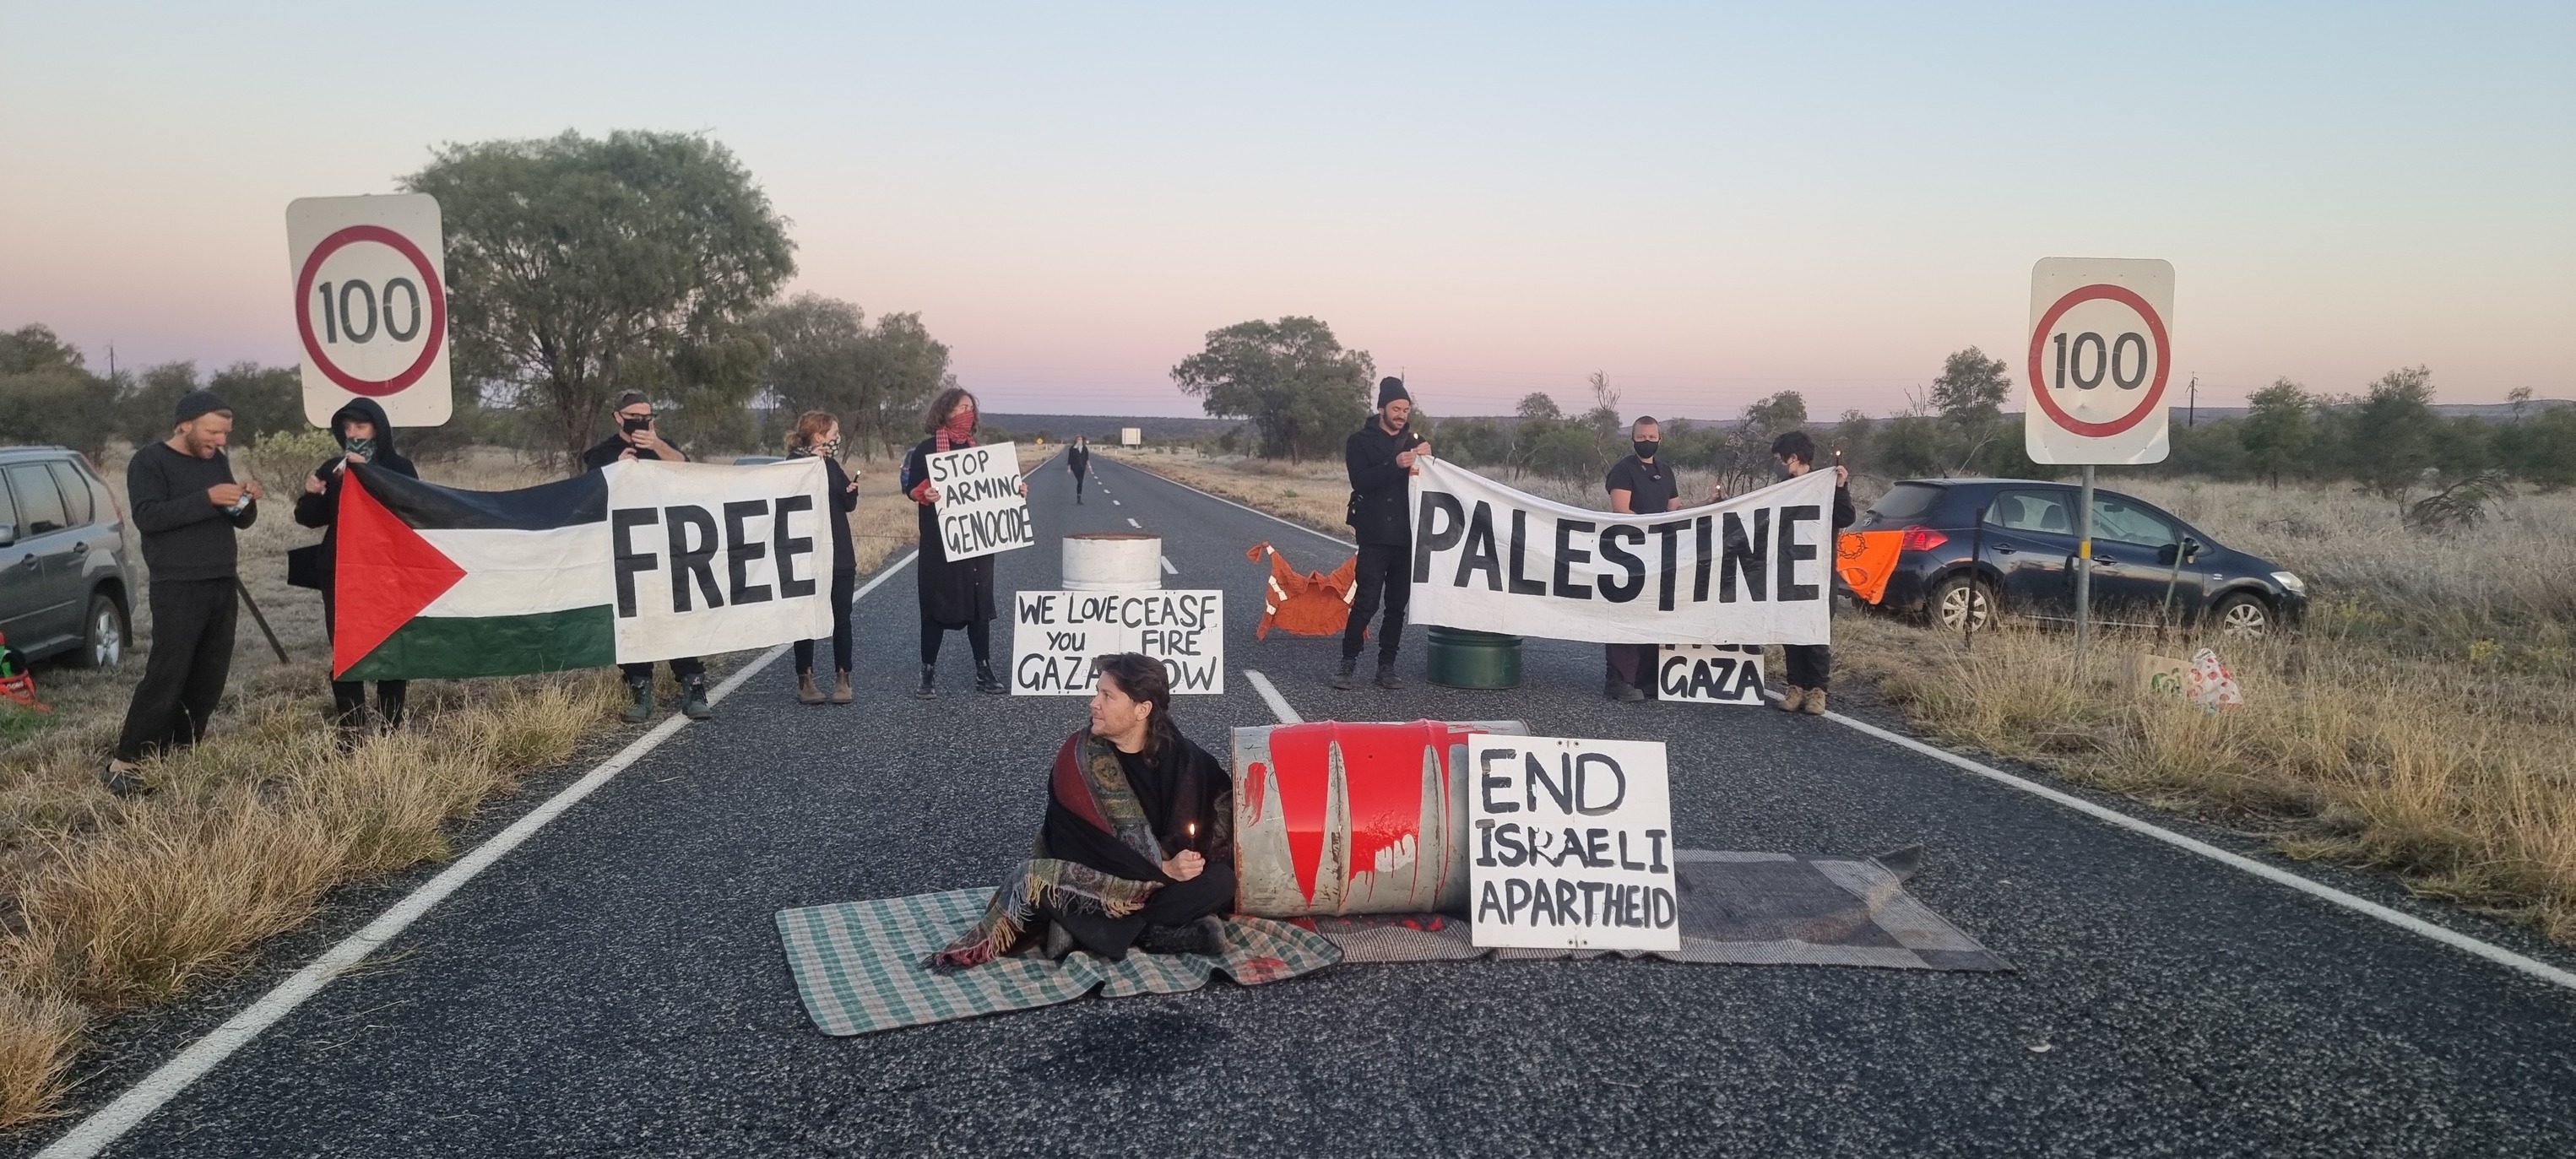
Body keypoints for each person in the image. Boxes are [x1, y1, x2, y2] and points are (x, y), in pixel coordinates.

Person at [930, 653, 1236, 968]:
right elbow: (1079, 849)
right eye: (1097, 692)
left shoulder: (1182, 757)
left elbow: (1220, 813)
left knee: (1221, 881)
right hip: (1098, 878)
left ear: (1142, 710)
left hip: (1160, 882)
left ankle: (1100, 932)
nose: (1093, 703)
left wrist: (1190, 859)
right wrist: (1162, 871)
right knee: (1037, 880)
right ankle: (1151, 932)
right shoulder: (1077, 759)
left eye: (1107, 696)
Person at [102, 390, 265, 793]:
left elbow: (237, 520)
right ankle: (127, 762)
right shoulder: (150, 461)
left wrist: (245, 500)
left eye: (225, 433)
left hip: (221, 578)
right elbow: (148, 517)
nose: (221, 440)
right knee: (168, 671)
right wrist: (207, 497)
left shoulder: (217, 462)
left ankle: (179, 752)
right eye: (213, 431)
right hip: (177, 583)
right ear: (185, 425)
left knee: (209, 673)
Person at [583, 390, 712, 723]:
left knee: (678, 612)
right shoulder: (602, 453)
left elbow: (687, 470)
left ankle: (692, 683)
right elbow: (588, 490)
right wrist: (618, 468)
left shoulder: (663, 445)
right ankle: (639, 686)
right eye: (635, 415)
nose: (642, 421)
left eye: (648, 415)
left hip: (668, 545)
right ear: (618, 417)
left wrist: (655, 445)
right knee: (633, 619)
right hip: (626, 549)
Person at [293, 397, 419, 740]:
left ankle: (392, 727)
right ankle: (351, 727)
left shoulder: (400, 467)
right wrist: (311, 494)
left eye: (360, 426)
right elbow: (309, 519)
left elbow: (409, 511)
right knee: (346, 645)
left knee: (390, 645)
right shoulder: (334, 467)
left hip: (385, 568)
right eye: (347, 428)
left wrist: (369, 473)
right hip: (339, 568)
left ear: (378, 429)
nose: (352, 433)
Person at [902, 387, 1020, 697]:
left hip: (978, 544)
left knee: (979, 607)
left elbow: (997, 490)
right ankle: (927, 673)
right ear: (943, 412)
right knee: (935, 606)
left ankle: (984, 669)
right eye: (958, 408)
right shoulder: (926, 450)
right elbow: (911, 488)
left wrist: (1016, 491)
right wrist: (922, 494)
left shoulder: (979, 452)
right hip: (939, 545)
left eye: (970, 407)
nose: (965, 413)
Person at [1337, 376, 1430, 691]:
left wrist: (1431, 460)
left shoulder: (1416, 441)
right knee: (1366, 602)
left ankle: (1386, 667)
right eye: (1396, 408)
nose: (1402, 414)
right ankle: (1347, 663)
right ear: (1381, 408)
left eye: (1406, 409)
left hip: (1407, 537)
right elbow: (1360, 481)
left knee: (1397, 605)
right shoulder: (1359, 441)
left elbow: (1433, 484)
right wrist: (1395, 464)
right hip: (1375, 534)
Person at [1771, 431, 1854, 716]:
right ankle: (1795, 686)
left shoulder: (1826, 485)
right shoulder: (1782, 487)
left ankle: (1818, 691)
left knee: (1817, 633)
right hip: (1789, 569)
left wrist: (1842, 487)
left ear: (1793, 458)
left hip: (1818, 572)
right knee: (1792, 631)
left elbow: (1845, 518)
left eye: (1779, 459)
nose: (1778, 464)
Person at [1603, 415, 1685, 701]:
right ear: (1633, 438)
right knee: (1626, 616)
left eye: (1652, 437)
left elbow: (1675, 509)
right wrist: (1652, 525)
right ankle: (1619, 680)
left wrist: (1707, 506)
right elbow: (1621, 509)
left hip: (1658, 553)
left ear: (1660, 439)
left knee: (1652, 614)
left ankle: (1648, 678)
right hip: (1628, 554)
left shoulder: (1666, 471)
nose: (1647, 442)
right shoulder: (1624, 470)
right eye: (1641, 437)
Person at [785, 411, 860, 705]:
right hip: (806, 554)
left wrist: (851, 491)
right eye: (834, 433)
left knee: (842, 618)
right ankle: (805, 679)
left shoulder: (830, 464)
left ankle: (844, 678)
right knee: (806, 618)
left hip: (839, 553)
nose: (837, 438)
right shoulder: (793, 466)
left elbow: (846, 504)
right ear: (818, 436)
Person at [1067, 434, 1091, 503]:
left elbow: (1087, 458)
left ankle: (1079, 497)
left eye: (1081, 439)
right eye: (1079, 439)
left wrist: (1089, 466)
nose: (1080, 441)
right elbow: (1070, 459)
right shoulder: (1072, 449)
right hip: (1075, 467)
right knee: (1080, 481)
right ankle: (1079, 497)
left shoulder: (1085, 448)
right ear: (1076, 440)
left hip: (1083, 467)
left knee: (1081, 483)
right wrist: (1069, 468)